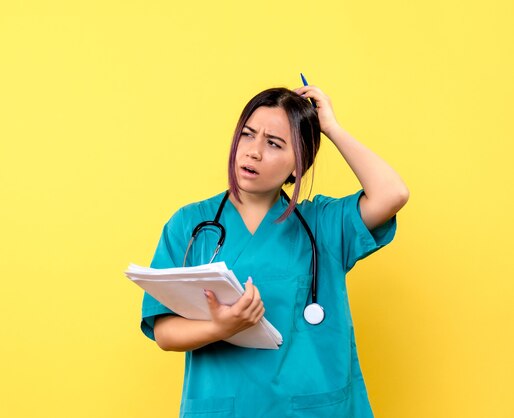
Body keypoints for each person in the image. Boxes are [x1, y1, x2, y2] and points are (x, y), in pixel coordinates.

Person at [140, 84, 409, 417]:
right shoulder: (190, 225)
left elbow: (393, 193)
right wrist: (221, 328)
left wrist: (332, 129)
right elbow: (165, 331)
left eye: (274, 143)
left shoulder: (322, 224)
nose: (253, 152)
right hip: (226, 407)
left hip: (312, 407)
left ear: (298, 165)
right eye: (248, 135)